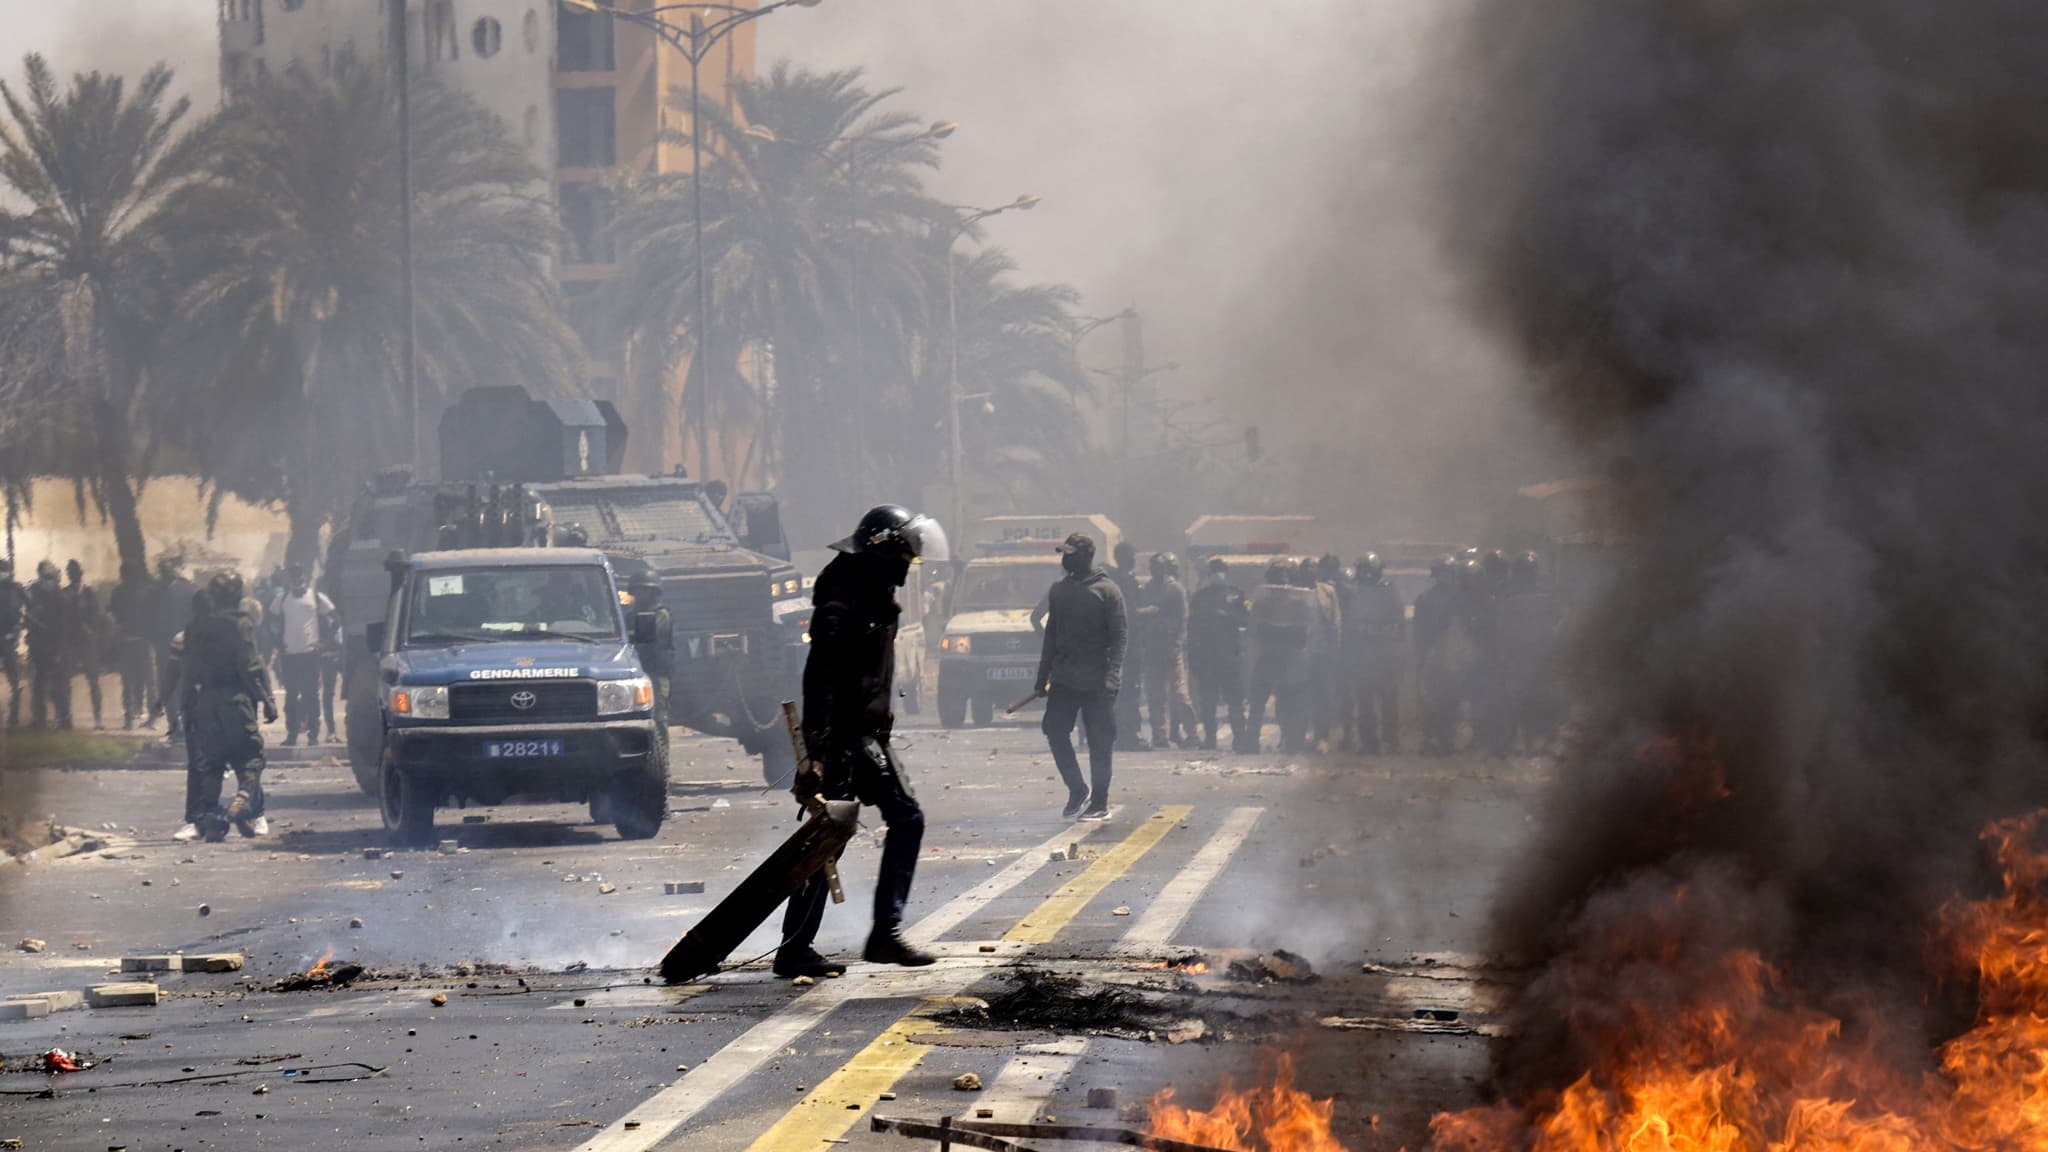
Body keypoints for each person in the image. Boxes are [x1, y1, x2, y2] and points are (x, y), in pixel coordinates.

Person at [777, 504, 947, 978]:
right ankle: (864, 937)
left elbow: (870, 670)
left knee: (839, 837)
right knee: (855, 831)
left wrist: (883, 711)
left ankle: (814, 944)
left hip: (864, 732)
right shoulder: (845, 595)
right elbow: (822, 676)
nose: (908, 567)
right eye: (904, 557)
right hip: (844, 738)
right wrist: (815, 751)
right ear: (882, 550)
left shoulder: (872, 590)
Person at [1037, 531, 1129, 820]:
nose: (1065, 560)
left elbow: (1120, 638)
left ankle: (1099, 801)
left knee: (1100, 741)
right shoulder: (1059, 591)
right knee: (1054, 730)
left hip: (1097, 681)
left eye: (1070, 554)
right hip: (1064, 678)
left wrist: (1112, 676)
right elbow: (1051, 636)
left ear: (1086, 556)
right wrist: (1042, 677)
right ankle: (1077, 789)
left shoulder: (1108, 591)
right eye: (1063, 554)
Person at [183, 572, 278, 841]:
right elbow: (249, 667)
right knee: (252, 756)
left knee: (212, 763)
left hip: (205, 702)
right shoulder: (240, 624)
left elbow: (188, 671)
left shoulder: (195, 626)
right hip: (235, 700)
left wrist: (188, 707)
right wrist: (266, 699)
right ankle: (243, 801)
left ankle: (213, 817)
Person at [1246, 560, 1315, 754]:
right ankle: (1254, 741)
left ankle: (1291, 741)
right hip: (1271, 656)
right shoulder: (1263, 603)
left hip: (1286, 658)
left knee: (1285, 703)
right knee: (1261, 703)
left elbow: (1306, 632)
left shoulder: (1300, 603)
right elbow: (1253, 631)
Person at [1134, 552, 1198, 748]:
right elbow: (1139, 616)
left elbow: (1183, 620)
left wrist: (1178, 643)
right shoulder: (1147, 589)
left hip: (1171, 647)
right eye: (1153, 567)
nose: (1156, 570)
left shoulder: (1175, 589)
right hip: (1152, 647)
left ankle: (1192, 733)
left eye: (1159, 566)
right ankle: (1159, 735)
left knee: (1179, 694)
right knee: (1155, 695)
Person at [1187, 557, 1250, 752]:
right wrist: (1193, 657)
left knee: (1235, 701)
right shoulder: (1200, 597)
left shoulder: (1238, 595)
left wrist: (1228, 616)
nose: (1218, 574)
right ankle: (1210, 738)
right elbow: (1192, 628)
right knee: (1208, 702)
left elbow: (1247, 619)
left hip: (1230, 656)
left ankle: (1239, 738)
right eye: (1215, 570)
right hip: (1207, 658)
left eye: (1221, 570)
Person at [268, 564, 334, 747]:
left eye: (298, 574)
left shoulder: (316, 598)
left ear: (304, 576)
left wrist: (325, 643)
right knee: (291, 696)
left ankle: (313, 734)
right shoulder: (281, 600)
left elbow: (334, 618)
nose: (296, 579)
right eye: (293, 575)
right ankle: (292, 733)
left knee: (311, 695)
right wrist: (278, 643)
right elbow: (271, 621)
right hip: (289, 655)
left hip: (310, 654)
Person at [1349, 553, 1406, 754]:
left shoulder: (1388, 592)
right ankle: (1370, 742)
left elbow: (1398, 626)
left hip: (1383, 657)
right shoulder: (1354, 592)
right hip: (1364, 657)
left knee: (1387, 702)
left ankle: (1390, 741)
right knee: (1366, 703)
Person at [168, 588, 210, 841]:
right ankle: (196, 819)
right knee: (198, 763)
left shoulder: (225, 636)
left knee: (237, 760)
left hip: (217, 706)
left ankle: (252, 812)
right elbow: (172, 673)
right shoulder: (183, 639)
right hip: (197, 707)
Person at [1106, 541, 1148, 751]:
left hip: (1114, 642)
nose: (1134, 559)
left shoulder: (1109, 580)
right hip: (1130, 644)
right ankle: (1130, 734)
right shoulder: (1127, 581)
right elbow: (1132, 613)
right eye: (1132, 555)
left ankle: (1119, 732)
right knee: (1131, 689)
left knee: (1119, 689)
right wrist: (1151, 612)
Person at [151, 556, 196, 738]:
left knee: (183, 686)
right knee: (168, 685)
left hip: (184, 645)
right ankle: (174, 725)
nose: (163, 574)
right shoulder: (156, 592)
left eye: (165, 571)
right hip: (165, 647)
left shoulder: (188, 591)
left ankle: (184, 725)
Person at [23, 560, 70, 729]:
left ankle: (64, 719)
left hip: (55, 646)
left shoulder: (60, 598)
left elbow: (64, 627)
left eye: (49, 577)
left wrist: (60, 650)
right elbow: (27, 618)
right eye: (44, 577)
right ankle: (39, 720)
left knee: (57, 685)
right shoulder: (34, 593)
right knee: (38, 685)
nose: (46, 580)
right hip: (38, 647)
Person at [109, 563, 155, 730]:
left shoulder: (118, 592)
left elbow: (113, 615)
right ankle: (151, 719)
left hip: (126, 640)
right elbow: (153, 615)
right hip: (143, 640)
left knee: (127, 681)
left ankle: (129, 719)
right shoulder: (146, 592)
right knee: (148, 681)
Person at [62, 560, 106, 730]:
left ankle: (98, 718)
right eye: (70, 572)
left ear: (80, 573)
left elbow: (97, 616)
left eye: (75, 572)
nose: (73, 575)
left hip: (87, 643)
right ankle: (66, 719)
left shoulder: (89, 593)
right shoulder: (64, 593)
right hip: (71, 642)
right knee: (65, 681)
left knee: (94, 682)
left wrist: (90, 628)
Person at [628, 573, 675, 731]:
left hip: (657, 675)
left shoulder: (661, 615)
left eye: (646, 591)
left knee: (659, 720)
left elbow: (646, 640)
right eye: (639, 590)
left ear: (654, 593)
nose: (641, 595)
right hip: (637, 673)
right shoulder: (630, 616)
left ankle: (660, 752)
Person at [0, 559, 23, 729]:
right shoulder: (15, 588)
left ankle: (14, 717)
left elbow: (26, 609)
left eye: (4, 569)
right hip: (6, 637)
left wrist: (15, 632)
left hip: (8, 638)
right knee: (13, 678)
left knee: (14, 679)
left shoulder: (16, 588)